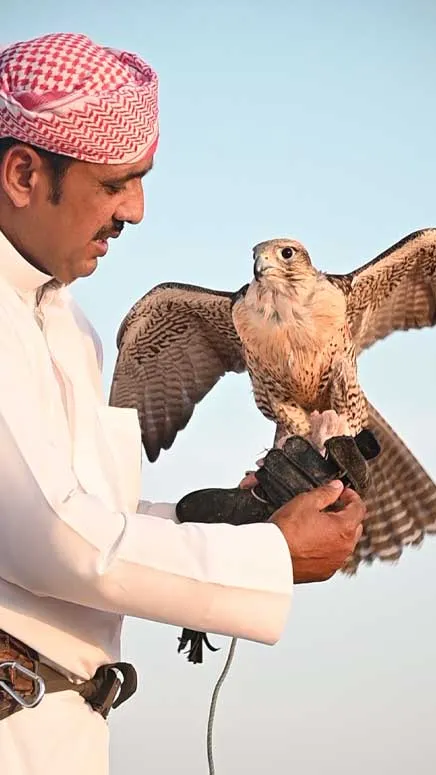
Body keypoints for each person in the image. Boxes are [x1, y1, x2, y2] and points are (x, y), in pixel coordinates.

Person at [0, 32, 367, 775]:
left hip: (63, 736)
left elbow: (91, 513)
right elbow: (57, 539)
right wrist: (268, 555)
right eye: (116, 184)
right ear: (23, 173)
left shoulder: (70, 327)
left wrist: (237, 515)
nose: (136, 210)